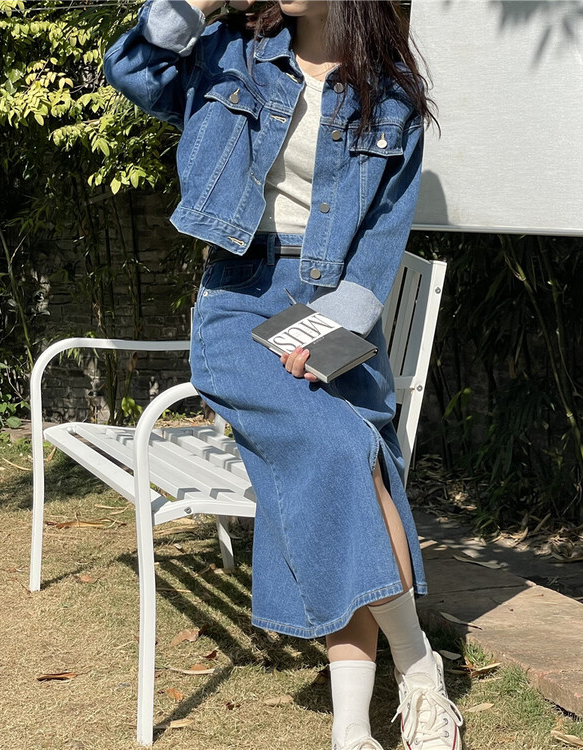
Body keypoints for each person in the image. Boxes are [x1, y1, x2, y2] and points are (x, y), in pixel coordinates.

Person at [103, 1, 464, 748]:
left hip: (332, 303)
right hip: (239, 300)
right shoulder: (230, 51)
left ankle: (351, 731)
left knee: (343, 459)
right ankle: (418, 667)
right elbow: (132, 67)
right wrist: (200, 4)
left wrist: (332, 328)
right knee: (344, 448)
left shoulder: (392, 98)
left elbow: (379, 246)